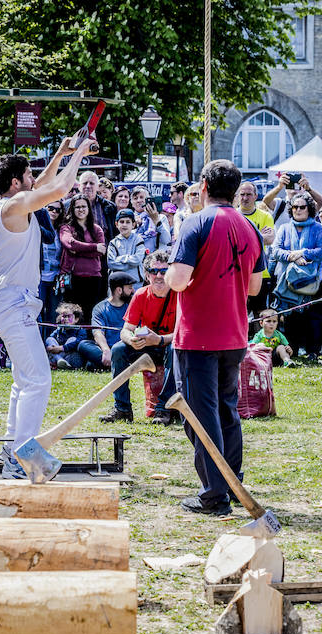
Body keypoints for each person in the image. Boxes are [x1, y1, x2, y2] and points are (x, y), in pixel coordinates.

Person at [0, 136, 96, 478]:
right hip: (14, 303)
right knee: (38, 380)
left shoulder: (6, 204)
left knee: (24, 381)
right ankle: (23, 460)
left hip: (10, 303)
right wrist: (79, 154)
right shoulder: (14, 206)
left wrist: (62, 154)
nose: (34, 178)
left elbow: (45, 183)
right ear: (16, 183)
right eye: (28, 174)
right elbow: (60, 189)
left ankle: (12, 451)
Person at [165, 158, 265, 515]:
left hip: (197, 335)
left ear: (203, 186)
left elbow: (176, 280)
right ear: (236, 191)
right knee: (226, 411)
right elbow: (255, 288)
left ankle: (214, 494)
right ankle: (231, 482)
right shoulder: (250, 227)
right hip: (235, 334)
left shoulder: (195, 223)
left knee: (201, 416)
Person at [100, 250, 177, 424]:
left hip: (169, 344)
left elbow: (184, 332)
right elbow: (125, 330)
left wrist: (159, 340)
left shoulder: (180, 294)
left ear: (170, 273)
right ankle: (122, 408)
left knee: (175, 349)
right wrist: (132, 340)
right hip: (147, 346)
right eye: (153, 271)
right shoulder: (141, 294)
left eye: (164, 271)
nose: (158, 276)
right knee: (119, 348)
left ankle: (164, 408)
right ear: (146, 274)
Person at [269, 191, 322, 360]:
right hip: (288, 281)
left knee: (313, 317)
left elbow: (321, 251)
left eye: (302, 207)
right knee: (291, 317)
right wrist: (293, 256)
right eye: (294, 207)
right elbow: (275, 250)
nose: (298, 210)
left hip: (313, 280)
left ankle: (313, 351)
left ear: (310, 209)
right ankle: (292, 349)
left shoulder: (318, 228)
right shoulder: (284, 228)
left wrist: (304, 253)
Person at [59, 194, 106, 322]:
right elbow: (70, 243)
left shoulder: (96, 229)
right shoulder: (66, 227)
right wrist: (94, 247)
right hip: (72, 278)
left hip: (93, 278)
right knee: (71, 314)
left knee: (90, 313)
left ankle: (89, 340)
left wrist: (78, 250)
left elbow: (100, 252)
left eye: (83, 206)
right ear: (72, 209)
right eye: (77, 207)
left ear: (89, 209)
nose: (81, 209)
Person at [78, 271, 136, 371]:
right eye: (130, 288)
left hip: (126, 347)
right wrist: (106, 350)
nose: (133, 291)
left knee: (91, 365)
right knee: (83, 345)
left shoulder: (133, 305)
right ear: (119, 290)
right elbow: (97, 332)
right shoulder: (100, 308)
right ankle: (117, 364)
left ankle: (108, 364)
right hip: (107, 348)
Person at [236, 181, 275, 313]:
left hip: (260, 272)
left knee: (260, 315)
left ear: (256, 196)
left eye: (249, 194)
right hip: (237, 273)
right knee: (238, 313)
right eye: (242, 194)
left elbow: (270, 239)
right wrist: (259, 237)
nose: (245, 198)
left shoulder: (265, 216)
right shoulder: (233, 215)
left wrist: (243, 238)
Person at [107, 208, 145, 291]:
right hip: (117, 284)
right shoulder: (113, 243)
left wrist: (121, 258)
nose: (124, 225)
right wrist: (130, 264)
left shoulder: (138, 240)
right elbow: (111, 263)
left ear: (133, 224)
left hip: (136, 283)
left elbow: (138, 260)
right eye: (121, 222)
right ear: (116, 224)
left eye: (128, 222)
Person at [40, 200, 64, 325]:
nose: (54, 211)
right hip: (39, 276)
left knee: (53, 313)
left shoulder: (61, 230)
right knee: (37, 311)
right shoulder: (38, 226)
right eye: (51, 208)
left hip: (56, 277)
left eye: (58, 210)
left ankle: (50, 342)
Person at [45, 302, 86, 369]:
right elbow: (50, 340)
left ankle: (59, 362)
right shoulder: (59, 330)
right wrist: (51, 347)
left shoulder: (80, 330)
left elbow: (78, 342)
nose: (65, 319)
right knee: (49, 339)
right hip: (59, 356)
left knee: (72, 339)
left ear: (76, 319)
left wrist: (62, 348)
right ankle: (59, 361)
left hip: (71, 357)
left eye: (68, 316)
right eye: (63, 316)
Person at [130, 187, 170, 253]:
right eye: (135, 198)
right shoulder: (129, 219)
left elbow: (166, 240)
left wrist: (156, 221)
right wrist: (134, 225)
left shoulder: (160, 217)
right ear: (131, 203)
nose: (139, 200)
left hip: (155, 259)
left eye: (142, 197)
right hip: (136, 259)